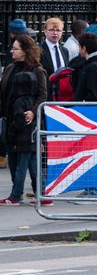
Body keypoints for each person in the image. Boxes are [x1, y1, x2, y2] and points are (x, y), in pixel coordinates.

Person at [0, 36, 48, 206]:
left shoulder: (37, 71)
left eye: (16, 48)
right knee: (14, 156)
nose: (12, 51)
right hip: (9, 118)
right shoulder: (10, 68)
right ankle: (37, 193)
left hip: (28, 120)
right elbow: (4, 94)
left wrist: (33, 112)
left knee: (25, 158)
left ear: (26, 51)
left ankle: (18, 194)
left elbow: (42, 95)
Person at [72, 32, 97, 102]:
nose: (79, 49)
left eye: (79, 46)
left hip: (89, 110)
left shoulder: (93, 67)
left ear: (84, 48)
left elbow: (94, 94)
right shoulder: (94, 64)